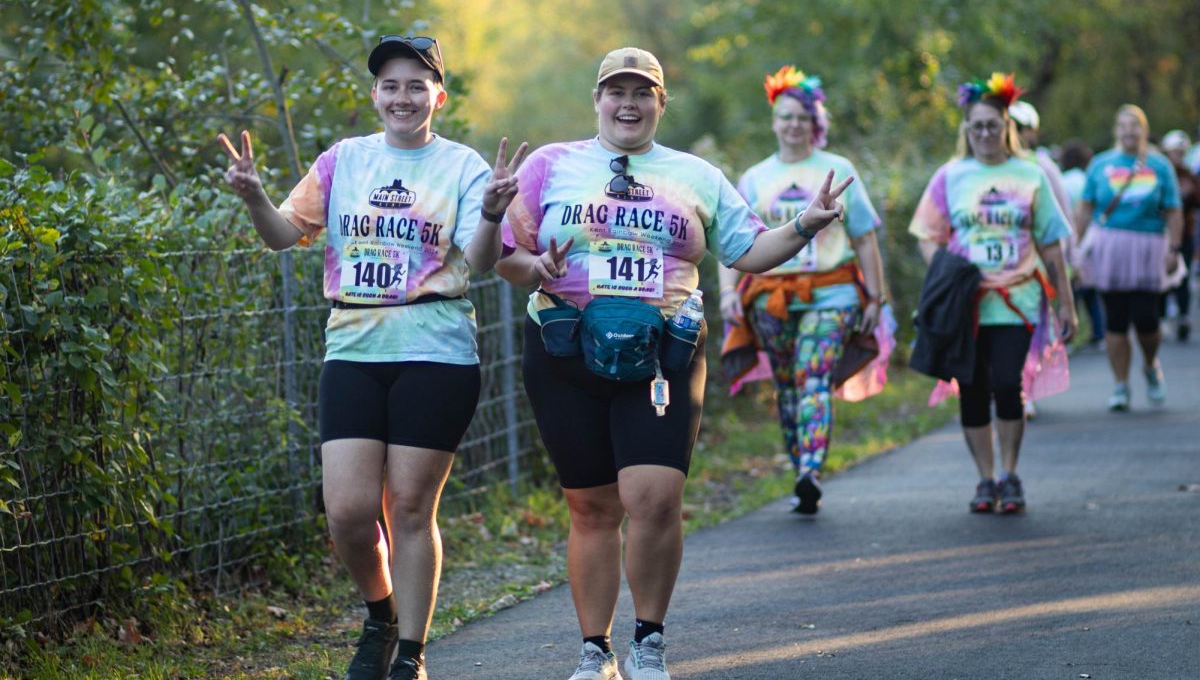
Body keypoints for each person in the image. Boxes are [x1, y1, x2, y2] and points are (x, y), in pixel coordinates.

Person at [494, 47, 851, 680]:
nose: (627, 103)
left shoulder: (696, 175)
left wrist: (804, 224)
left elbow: (749, 250)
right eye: (616, 91)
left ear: (661, 103)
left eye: (642, 93)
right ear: (597, 100)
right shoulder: (550, 166)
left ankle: (649, 641)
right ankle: (594, 651)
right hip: (564, 350)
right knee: (592, 507)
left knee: (654, 497)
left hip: (665, 354)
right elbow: (505, 256)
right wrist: (536, 268)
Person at [219, 35, 527, 680]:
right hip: (354, 347)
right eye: (391, 85)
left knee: (410, 508)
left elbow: (478, 261)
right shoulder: (343, 163)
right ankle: (380, 613)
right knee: (350, 512)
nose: (403, 97)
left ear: (438, 96)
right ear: (375, 95)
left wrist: (494, 213)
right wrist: (253, 196)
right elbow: (283, 235)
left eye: (417, 85)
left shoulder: (464, 167)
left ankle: (409, 655)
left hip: (436, 350)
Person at [716, 66, 889, 516]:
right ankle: (800, 472)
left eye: (802, 117)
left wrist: (875, 296)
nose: (794, 124)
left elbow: (865, 236)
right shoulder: (755, 177)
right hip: (771, 298)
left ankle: (811, 468)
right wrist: (729, 294)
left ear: (816, 122)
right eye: (786, 116)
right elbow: (732, 243)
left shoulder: (839, 170)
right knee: (788, 385)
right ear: (774, 121)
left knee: (814, 378)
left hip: (832, 294)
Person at [909, 73, 1076, 514]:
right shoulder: (951, 175)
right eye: (977, 126)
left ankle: (1010, 472)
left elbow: (1053, 243)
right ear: (967, 129)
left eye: (993, 125)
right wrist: (946, 274)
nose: (985, 133)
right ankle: (985, 479)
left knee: (1006, 383)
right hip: (966, 306)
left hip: (1018, 299)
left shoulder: (1030, 175)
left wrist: (1066, 303)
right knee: (972, 387)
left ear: (1008, 128)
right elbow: (926, 234)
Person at [1076, 104, 1183, 410]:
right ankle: (1120, 384)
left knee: (1147, 318)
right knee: (1116, 320)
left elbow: (1173, 211)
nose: (1129, 131)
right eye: (1123, 125)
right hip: (1111, 248)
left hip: (1148, 247)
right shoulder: (1101, 164)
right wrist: (1074, 247)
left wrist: (1174, 249)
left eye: (1134, 125)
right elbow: (1085, 209)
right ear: (1116, 130)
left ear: (1143, 129)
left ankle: (1150, 364)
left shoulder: (1160, 165)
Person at [1008, 100, 1074, 419]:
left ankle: (1025, 389)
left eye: (1022, 129)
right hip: (999, 268)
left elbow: (1061, 216)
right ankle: (1009, 387)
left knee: (1031, 329)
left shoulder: (1041, 166)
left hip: (1033, 266)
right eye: (1012, 127)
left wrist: (1069, 259)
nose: (1017, 134)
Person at [1059, 139, 1105, 346]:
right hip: (1093, 239)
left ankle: (1070, 334)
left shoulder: (1064, 181)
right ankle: (1099, 332)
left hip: (1074, 240)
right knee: (1092, 293)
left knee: (1074, 290)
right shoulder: (1088, 178)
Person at [1158, 129, 1198, 341]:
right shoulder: (1160, 173)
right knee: (1163, 277)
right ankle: (1162, 317)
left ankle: (1182, 316)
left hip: (1185, 234)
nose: (1178, 156)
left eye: (1182, 152)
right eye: (1176, 152)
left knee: (1183, 277)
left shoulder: (1189, 176)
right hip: (1162, 235)